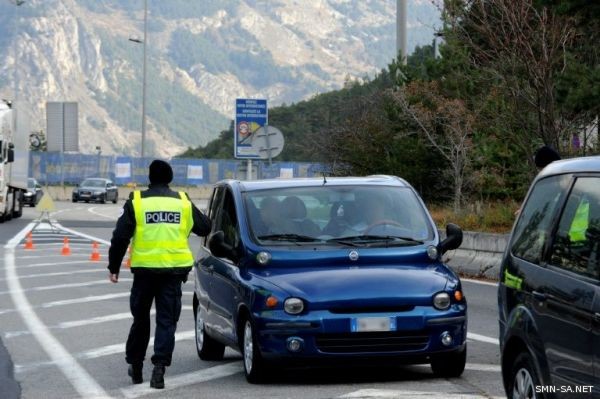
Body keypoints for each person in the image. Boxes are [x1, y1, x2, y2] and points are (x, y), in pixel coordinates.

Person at [107, 160, 210, 389]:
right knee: (166, 321)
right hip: (173, 273)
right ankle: (159, 369)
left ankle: (135, 365)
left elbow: (120, 236)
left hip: (144, 272)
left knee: (140, 319)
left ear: (149, 178)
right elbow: (204, 227)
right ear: (170, 178)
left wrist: (113, 267)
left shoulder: (137, 201)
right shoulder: (183, 202)